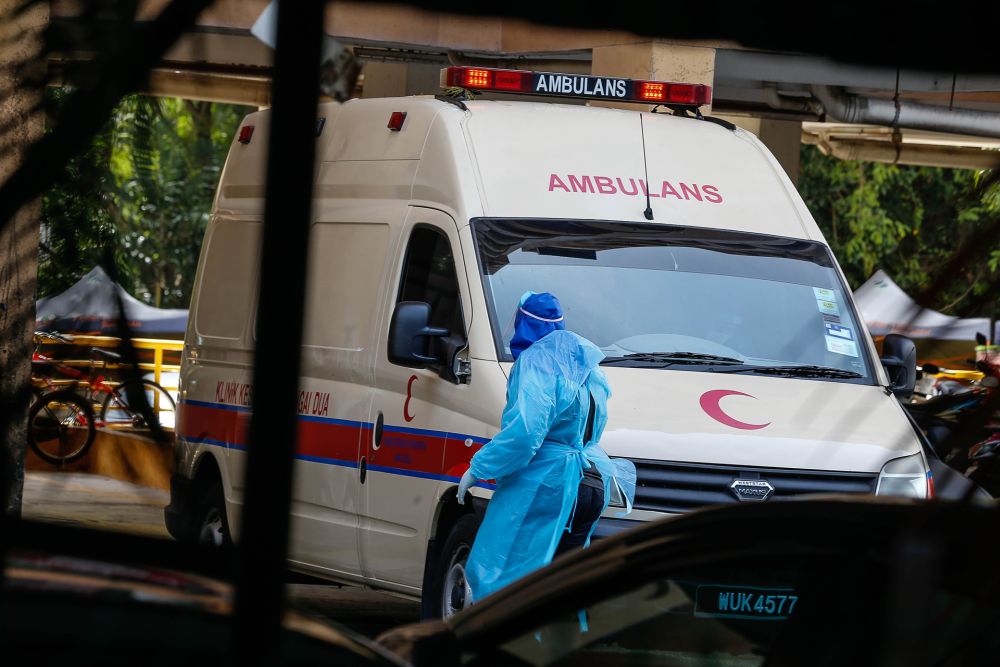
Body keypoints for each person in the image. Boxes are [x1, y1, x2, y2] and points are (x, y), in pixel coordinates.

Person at [456, 291, 636, 603]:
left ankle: (496, 647)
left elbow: (525, 434)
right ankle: (554, 648)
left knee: (503, 580)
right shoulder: (587, 364)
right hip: (591, 481)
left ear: (524, 323)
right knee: (562, 588)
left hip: (547, 485)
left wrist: (479, 468)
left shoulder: (536, 362)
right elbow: (594, 425)